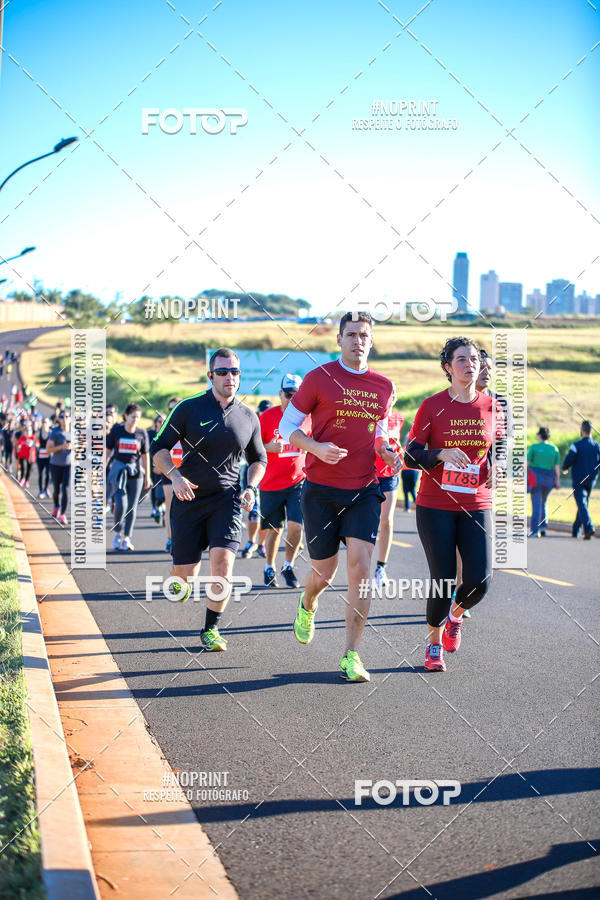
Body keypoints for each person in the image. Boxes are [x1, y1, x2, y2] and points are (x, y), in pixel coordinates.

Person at [278, 312, 398, 683]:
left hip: (363, 488)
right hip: (321, 491)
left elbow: (379, 436)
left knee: (361, 568)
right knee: (324, 573)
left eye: (364, 335)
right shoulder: (319, 378)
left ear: (371, 341)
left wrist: (388, 453)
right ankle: (308, 602)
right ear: (339, 341)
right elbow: (287, 427)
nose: (357, 341)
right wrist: (315, 446)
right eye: (350, 335)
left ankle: (351, 655)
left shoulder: (384, 386)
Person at [151, 348, 267, 652]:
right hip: (188, 498)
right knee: (185, 577)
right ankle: (179, 575)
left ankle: (210, 629)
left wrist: (251, 487)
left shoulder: (248, 416)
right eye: (223, 372)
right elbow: (160, 448)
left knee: (223, 565)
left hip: (227, 500)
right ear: (210, 375)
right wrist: (175, 476)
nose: (230, 377)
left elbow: (259, 459)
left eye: (235, 372)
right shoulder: (189, 409)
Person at [405, 336, 506, 672]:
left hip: (477, 501)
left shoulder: (494, 406)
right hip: (435, 504)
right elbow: (410, 455)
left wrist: (499, 466)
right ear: (448, 368)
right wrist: (440, 454)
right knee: (444, 579)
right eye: (461, 359)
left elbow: (501, 447)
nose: (469, 364)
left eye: (473, 358)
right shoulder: (432, 406)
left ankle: (455, 615)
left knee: (480, 580)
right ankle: (434, 644)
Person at [259, 375, 308, 588]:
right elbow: (250, 448)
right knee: (274, 530)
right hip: (271, 484)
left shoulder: (307, 418)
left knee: (297, 527)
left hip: (298, 482)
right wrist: (267, 448)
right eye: (288, 394)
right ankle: (269, 566)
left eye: (296, 395)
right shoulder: (267, 417)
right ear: (280, 394)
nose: (291, 399)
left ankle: (288, 566)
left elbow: (317, 441)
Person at [106, 403, 150, 551]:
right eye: (133, 417)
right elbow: (108, 451)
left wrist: (147, 477)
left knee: (132, 507)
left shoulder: (141, 434)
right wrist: (102, 468)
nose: (135, 420)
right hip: (119, 472)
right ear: (126, 416)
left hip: (135, 473)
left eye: (138, 417)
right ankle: (117, 534)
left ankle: (127, 538)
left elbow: (145, 456)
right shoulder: (117, 431)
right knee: (120, 504)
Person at [373, 386, 403, 587]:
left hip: (390, 475)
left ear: (394, 397)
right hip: (369, 475)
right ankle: (359, 563)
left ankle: (381, 568)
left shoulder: (399, 418)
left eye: (391, 395)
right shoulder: (371, 418)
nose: (388, 398)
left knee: (387, 522)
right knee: (367, 523)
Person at [240, 399, 272, 559]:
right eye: (263, 411)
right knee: (254, 511)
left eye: (268, 411)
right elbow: (245, 450)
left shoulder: (277, 424)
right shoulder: (252, 423)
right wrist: (268, 448)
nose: (265, 414)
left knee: (265, 513)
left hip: (271, 475)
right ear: (259, 411)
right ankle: (252, 541)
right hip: (252, 473)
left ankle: (261, 544)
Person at [562, 419, 600, 540]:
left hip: (579, 479)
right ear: (591, 431)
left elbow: (570, 459)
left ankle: (588, 528)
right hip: (592, 480)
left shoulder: (576, 445)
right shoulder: (597, 446)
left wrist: (565, 467)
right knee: (583, 503)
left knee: (582, 504)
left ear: (582, 430)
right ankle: (576, 530)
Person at [156, 397, 183, 553]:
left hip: (187, 471)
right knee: (170, 506)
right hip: (170, 471)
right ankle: (170, 539)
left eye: (176, 407)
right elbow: (158, 448)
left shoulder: (188, 423)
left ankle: (183, 539)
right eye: (170, 408)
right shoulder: (165, 427)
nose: (173, 411)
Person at [527, 427, 560, 537]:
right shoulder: (554, 449)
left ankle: (535, 530)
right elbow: (556, 467)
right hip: (549, 478)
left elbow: (527, 463)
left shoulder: (534, 447)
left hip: (535, 477)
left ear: (539, 436)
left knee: (536, 503)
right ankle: (543, 526)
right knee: (544, 502)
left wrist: (519, 474)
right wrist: (558, 481)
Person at [47, 411, 72, 525]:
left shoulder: (74, 431)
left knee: (66, 490)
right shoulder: (55, 432)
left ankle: (62, 514)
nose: (65, 418)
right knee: (56, 490)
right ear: (59, 419)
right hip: (56, 465)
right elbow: (48, 449)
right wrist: (62, 447)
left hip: (68, 465)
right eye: (62, 417)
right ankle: (56, 506)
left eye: (67, 416)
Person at [147, 413, 165, 523]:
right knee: (155, 486)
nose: (162, 423)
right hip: (152, 465)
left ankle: (162, 507)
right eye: (159, 421)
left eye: (164, 421)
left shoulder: (170, 434)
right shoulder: (150, 435)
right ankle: (156, 507)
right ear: (155, 424)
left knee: (164, 487)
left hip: (166, 466)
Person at [35, 417, 52, 498]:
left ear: (48, 424)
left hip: (48, 457)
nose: (44, 424)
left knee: (48, 473)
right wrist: (31, 453)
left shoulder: (50, 433)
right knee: (40, 473)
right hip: (40, 456)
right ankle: (40, 490)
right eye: (43, 422)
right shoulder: (38, 433)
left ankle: (46, 489)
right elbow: (34, 444)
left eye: (46, 422)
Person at [16, 421, 35, 487]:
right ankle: (22, 479)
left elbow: (37, 445)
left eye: (29, 430)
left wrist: (32, 443)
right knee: (23, 467)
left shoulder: (33, 437)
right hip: (22, 455)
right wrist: (18, 448)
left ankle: (27, 481)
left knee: (29, 469)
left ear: (31, 431)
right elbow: (18, 445)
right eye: (26, 431)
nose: (28, 432)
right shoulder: (22, 438)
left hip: (30, 456)